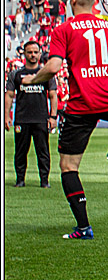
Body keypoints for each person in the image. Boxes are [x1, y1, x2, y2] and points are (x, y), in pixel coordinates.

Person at [24, 0, 108, 239]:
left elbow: (54, 67)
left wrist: (31, 80)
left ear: (72, 1)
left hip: (81, 105)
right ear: (95, 3)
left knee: (69, 166)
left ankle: (84, 227)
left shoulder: (63, 29)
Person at [5, 40, 59, 188]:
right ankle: (20, 180)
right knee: (20, 151)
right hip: (22, 119)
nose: (33, 55)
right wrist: (6, 115)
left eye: (35, 52)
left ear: (40, 53)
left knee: (43, 151)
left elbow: (53, 95)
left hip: (41, 118)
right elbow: (9, 96)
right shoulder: (15, 74)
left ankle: (44, 181)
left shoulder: (46, 74)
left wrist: (53, 117)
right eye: (30, 52)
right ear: (24, 53)